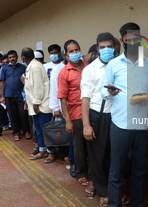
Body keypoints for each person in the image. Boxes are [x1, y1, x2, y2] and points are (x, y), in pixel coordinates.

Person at [101, 22, 148, 206]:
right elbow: (103, 91)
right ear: (122, 42)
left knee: (140, 170)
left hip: (141, 125)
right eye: (128, 40)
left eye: (135, 39)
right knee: (116, 170)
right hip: (120, 125)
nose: (132, 42)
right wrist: (109, 92)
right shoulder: (113, 64)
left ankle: (137, 203)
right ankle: (114, 204)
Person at [81, 32, 115, 205]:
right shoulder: (90, 69)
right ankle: (104, 192)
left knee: (113, 155)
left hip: (118, 117)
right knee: (98, 156)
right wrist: (86, 125)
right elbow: (85, 98)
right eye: (103, 47)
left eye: (110, 46)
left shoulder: (120, 65)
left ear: (115, 47)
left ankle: (112, 187)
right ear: (97, 49)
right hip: (98, 117)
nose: (107, 50)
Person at [58, 39, 91, 188]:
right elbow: (63, 99)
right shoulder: (64, 73)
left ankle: (94, 171)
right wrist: (68, 121)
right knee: (78, 146)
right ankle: (81, 173)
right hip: (76, 113)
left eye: (77, 50)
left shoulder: (88, 67)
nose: (75, 53)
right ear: (65, 55)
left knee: (93, 144)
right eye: (71, 51)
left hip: (93, 110)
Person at [21, 48, 57, 162]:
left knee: (46, 130)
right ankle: (43, 150)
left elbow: (38, 87)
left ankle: (51, 152)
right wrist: (29, 101)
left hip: (40, 105)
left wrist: (36, 103)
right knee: (39, 130)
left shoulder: (35, 67)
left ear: (23, 58)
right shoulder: (31, 66)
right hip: (35, 104)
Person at [49, 47, 73, 175]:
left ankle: (72, 154)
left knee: (71, 132)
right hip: (60, 104)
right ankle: (64, 154)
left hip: (73, 105)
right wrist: (55, 108)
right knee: (63, 130)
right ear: (64, 56)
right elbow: (53, 88)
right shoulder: (57, 69)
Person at [0, 50, 30, 141]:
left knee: (23, 113)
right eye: (10, 57)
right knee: (12, 114)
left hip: (21, 94)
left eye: (13, 57)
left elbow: (27, 80)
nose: (12, 59)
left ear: (17, 57)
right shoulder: (4, 68)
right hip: (9, 95)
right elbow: (2, 82)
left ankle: (26, 131)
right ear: (8, 59)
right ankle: (16, 132)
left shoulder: (23, 67)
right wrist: (2, 97)